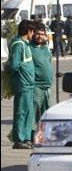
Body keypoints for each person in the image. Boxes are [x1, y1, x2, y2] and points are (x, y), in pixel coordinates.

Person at [7, 21, 36, 149]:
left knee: (29, 112)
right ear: (28, 32)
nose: (33, 34)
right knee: (21, 112)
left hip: (29, 84)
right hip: (22, 84)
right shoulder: (18, 45)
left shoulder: (25, 44)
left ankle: (26, 137)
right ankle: (19, 139)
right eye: (33, 31)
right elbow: (13, 65)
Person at [30, 21, 53, 132]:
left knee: (47, 115)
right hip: (36, 87)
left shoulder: (46, 48)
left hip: (47, 87)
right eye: (38, 34)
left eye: (42, 34)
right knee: (34, 115)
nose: (40, 36)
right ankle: (31, 136)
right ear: (33, 34)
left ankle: (45, 136)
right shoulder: (29, 48)